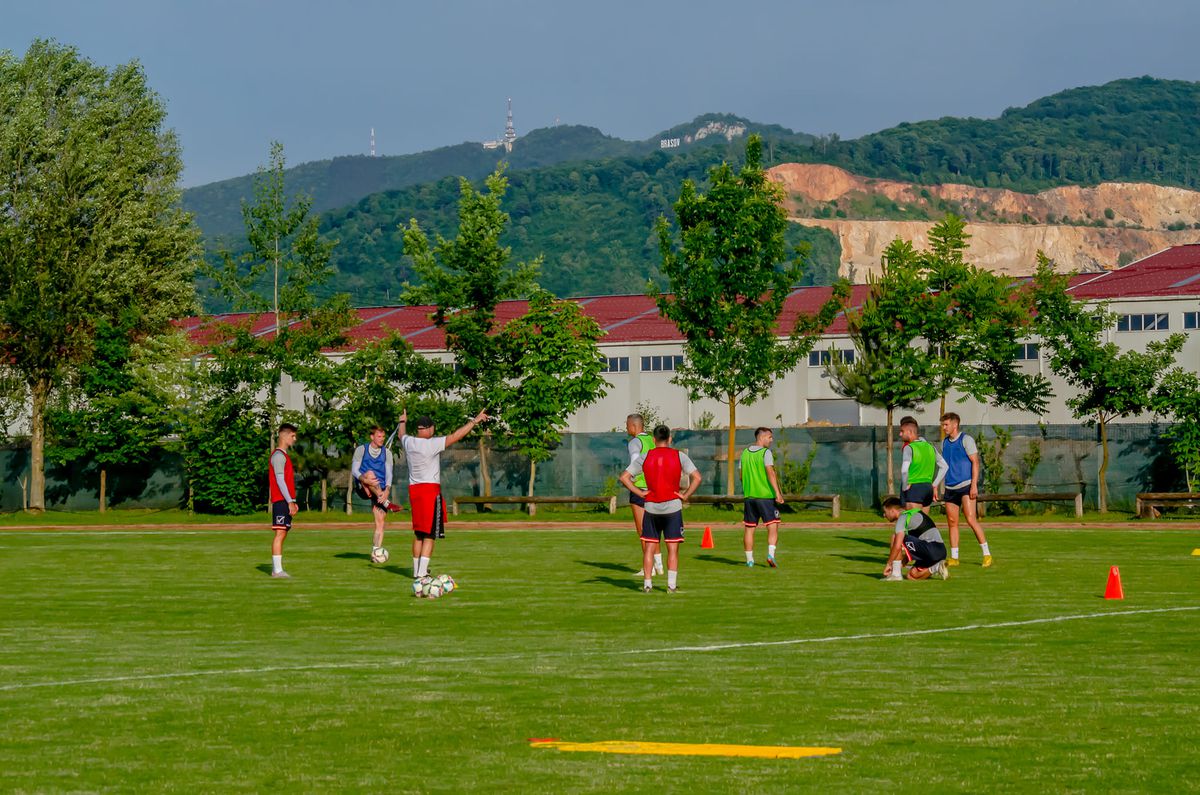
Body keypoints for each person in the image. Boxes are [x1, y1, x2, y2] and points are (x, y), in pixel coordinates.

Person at [399, 408, 488, 586]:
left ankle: (417, 571)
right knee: (430, 535)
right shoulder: (431, 444)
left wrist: (402, 421)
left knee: (418, 534)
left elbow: (401, 434)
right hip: (429, 492)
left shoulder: (409, 442)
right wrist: (475, 421)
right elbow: (456, 435)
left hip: (414, 491)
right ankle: (423, 574)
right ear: (430, 428)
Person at [618, 425, 702, 593]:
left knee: (649, 547)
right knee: (673, 548)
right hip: (673, 507)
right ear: (670, 439)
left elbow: (624, 477)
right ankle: (671, 585)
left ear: (654, 440)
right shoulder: (679, 455)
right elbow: (697, 477)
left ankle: (647, 584)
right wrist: (685, 495)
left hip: (651, 508)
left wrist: (639, 493)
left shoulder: (645, 456)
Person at [939, 412, 993, 568]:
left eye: (946, 424)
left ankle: (987, 554)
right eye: (943, 424)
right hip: (950, 487)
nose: (944, 427)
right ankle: (954, 557)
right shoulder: (944, 443)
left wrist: (974, 484)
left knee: (970, 519)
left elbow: (975, 462)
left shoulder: (966, 440)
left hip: (966, 485)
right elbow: (944, 466)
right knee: (952, 522)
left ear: (955, 424)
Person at [351, 424, 402, 558]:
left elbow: (389, 474)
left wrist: (387, 491)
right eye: (379, 436)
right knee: (370, 473)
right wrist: (365, 480)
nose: (382, 439)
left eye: (383, 436)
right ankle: (387, 503)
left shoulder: (387, 453)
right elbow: (355, 470)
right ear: (372, 437)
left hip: (380, 491)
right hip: (363, 486)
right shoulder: (361, 450)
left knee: (380, 523)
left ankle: (376, 552)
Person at [740, 427, 784, 567]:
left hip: (749, 497)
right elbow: (770, 473)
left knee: (749, 528)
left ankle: (749, 561)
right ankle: (771, 555)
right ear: (762, 437)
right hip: (765, 496)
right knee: (773, 525)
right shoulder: (766, 452)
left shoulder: (744, 453)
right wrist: (777, 493)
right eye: (770, 437)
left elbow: (741, 475)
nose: (772, 440)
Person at [623, 413, 661, 577]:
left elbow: (635, 462)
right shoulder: (652, 440)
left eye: (627, 425)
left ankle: (649, 568)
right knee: (653, 529)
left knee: (642, 531)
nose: (626, 428)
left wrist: (631, 477)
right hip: (656, 488)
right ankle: (659, 564)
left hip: (640, 488)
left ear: (633, 426)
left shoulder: (634, 442)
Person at [881, 496, 949, 581]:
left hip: (931, 548)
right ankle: (937, 567)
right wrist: (901, 564)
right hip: (940, 552)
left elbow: (897, 545)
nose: (884, 515)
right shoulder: (913, 513)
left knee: (895, 537)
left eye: (885, 512)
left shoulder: (902, 518)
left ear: (892, 510)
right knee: (911, 575)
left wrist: (889, 564)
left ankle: (896, 575)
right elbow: (913, 548)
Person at [268, 423, 300, 578]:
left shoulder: (283, 456)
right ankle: (277, 570)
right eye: (293, 436)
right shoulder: (279, 456)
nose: (295, 439)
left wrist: (292, 500)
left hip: (285, 500)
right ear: (284, 435)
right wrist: (289, 501)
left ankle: (278, 569)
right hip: (281, 501)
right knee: (280, 533)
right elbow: (280, 481)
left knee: (283, 533)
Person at [898, 416, 948, 514]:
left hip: (914, 487)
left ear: (910, 431)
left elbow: (904, 470)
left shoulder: (910, 447)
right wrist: (934, 485)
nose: (900, 434)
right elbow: (945, 466)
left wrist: (904, 486)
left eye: (902, 431)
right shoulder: (930, 446)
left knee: (912, 524)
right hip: (927, 488)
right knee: (924, 524)